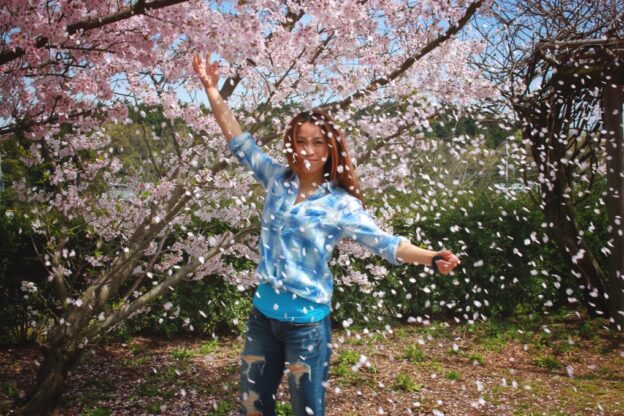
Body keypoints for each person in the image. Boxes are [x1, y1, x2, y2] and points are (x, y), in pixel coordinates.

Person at [192, 52, 460, 416]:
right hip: (262, 318)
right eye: (301, 141)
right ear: (290, 144)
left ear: (330, 147)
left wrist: (431, 257)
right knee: (252, 409)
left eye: (318, 142)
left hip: (307, 326)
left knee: (307, 411)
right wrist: (211, 89)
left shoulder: (340, 203)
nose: (308, 150)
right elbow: (238, 140)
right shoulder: (275, 179)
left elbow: (385, 243)